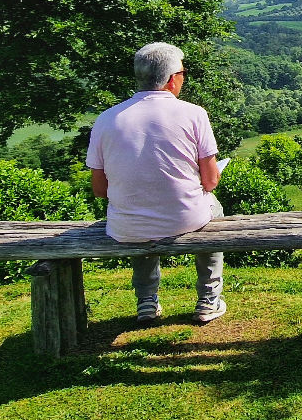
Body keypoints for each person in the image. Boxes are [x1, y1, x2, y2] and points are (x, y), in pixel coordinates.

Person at [87, 42, 226, 324]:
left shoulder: (106, 119)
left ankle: (147, 301)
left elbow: (100, 190)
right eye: (183, 73)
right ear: (172, 78)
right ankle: (209, 298)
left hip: (127, 226)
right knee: (214, 210)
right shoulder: (194, 114)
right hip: (186, 218)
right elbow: (210, 182)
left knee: (136, 212)